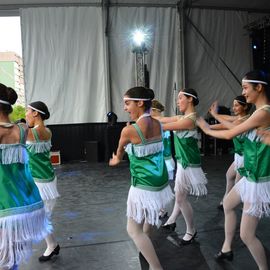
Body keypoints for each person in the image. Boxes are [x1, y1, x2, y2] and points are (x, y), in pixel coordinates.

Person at [197, 70, 270, 270]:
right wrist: (213, 119)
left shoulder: (263, 111)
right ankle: (227, 247)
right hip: (249, 175)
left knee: (247, 235)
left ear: (259, 87)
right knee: (228, 204)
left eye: (245, 87)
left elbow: (231, 133)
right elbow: (233, 123)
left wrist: (206, 128)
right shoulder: (258, 111)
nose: (243, 92)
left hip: (257, 180)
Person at [109, 86, 174, 270]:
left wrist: (115, 160)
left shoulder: (130, 130)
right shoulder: (158, 124)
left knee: (133, 229)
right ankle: (147, 251)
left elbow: (119, 155)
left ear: (139, 103)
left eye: (127, 103)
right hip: (159, 183)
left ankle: (155, 266)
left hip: (142, 185)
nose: (125, 108)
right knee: (148, 220)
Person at [0, 84, 51, 269]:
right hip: (25, 202)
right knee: (10, 259)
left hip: (5, 206)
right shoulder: (22, 130)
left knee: (5, 260)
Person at [160, 88, 207, 244]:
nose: (177, 101)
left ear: (190, 99)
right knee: (180, 196)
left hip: (189, 164)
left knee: (180, 199)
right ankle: (172, 221)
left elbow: (165, 125)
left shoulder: (190, 119)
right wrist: (147, 116)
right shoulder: (183, 117)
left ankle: (191, 230)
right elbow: (164, 120)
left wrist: (150, 121)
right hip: (182, 163)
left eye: (180, 98)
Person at [25, 101, 60, 262]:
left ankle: (52, 246)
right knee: (42, 217)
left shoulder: (32, 133)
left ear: (35, 113)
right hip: (46, 178)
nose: (25, 114)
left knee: (41, 217)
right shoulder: (47, 131)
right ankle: (52, 245)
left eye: (28, 111)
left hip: (42, 182)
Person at [207, 96, 251, 210]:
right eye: (233, 105)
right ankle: (226, 200)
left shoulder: (246, 121)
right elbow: (226, 119)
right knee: (229, 175)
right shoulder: (239, 118)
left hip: (245, 157)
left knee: (238, 184)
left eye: (237, 105)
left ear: (245, 106)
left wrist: (210, 123)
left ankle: (243, 207)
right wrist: (208, 123)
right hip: (238, 156)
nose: (233, 108)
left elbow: (223, 125)